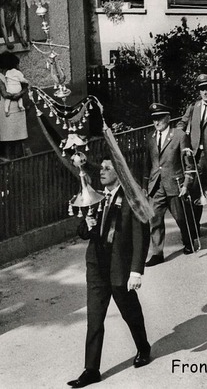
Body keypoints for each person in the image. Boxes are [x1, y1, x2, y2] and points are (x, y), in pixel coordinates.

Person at [67, 157, 151, 388]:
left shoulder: (132, 198)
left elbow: (140, 236)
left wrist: (136, 271)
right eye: (101, 168)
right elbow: (83, 232)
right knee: (94, 318)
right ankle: (91, 369)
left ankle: (143, 347)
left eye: (107, 168)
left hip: (119, 267)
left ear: (120, 172)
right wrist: (89, 223)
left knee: (129, 312)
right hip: (96, 266)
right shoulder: (95, 196)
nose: (101, 172)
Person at [144, 103, 196, 267]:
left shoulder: (179, 135)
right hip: (156, 186)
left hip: (175, 183)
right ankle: (157, 253)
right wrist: (145, 185)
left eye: (159, 118)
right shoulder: (150, 138)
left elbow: (188, 163)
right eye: (154, 119)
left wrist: (186, 183)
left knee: (181, 217)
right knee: (155, 219)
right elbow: (147, 164)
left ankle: (188, 241)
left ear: (167, 118)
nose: (156, 122)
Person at [177, 73, 207, 233]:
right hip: (195, 157)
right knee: (194, 191)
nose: (204, 92)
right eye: (202, 89)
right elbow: (182, 123)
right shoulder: (193, 107)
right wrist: (179, 140)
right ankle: (194, 228)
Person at [0, 51, 29, 161]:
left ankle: (18, 160)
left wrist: (19, 94)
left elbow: (25, 86)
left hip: (17, 109)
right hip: (5, 110)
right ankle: (9, 160)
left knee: (18, 136)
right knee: (7, 136)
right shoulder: (0, 76)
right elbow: (4, 93)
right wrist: (17, 95)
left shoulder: (15, 73)